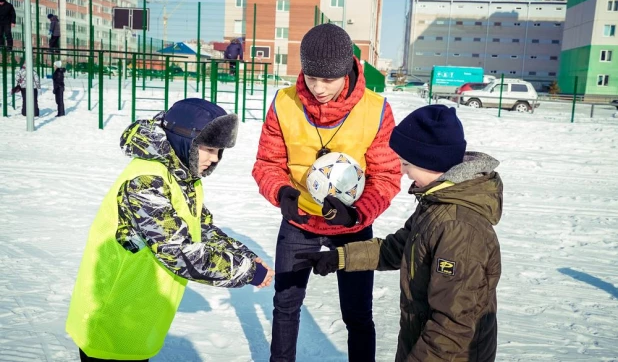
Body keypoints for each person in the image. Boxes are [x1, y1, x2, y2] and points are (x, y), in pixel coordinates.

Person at [66, 98, 275, 361]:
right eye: (209, 149)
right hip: (110, 315)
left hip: (137, 315)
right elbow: (178, 252)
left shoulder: (182, 176)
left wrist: (243, 254)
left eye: (220, 152)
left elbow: (203, 228)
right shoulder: (146, 182)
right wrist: (246, 271)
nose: (215, 159)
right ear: (184, 138)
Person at [295, 105, 503, 362]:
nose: (403, 172)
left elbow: (452, 325)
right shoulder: (437, 205)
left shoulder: (458, 228)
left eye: (406, 164)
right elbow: (397, 248)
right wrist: (340, 257)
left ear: (431, 162)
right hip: (420, 342)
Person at [252, 23, 401, 362]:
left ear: (346, 70)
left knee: (358, 314)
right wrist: (282, 195)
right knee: (285, 305)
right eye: (311, 76)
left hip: (351, 225)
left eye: (328, 80)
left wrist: (359, 213)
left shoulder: (376, 109)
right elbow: (267, 162)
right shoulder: (283, 102)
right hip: (299, 220)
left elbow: (387, 175)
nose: (318, 88)